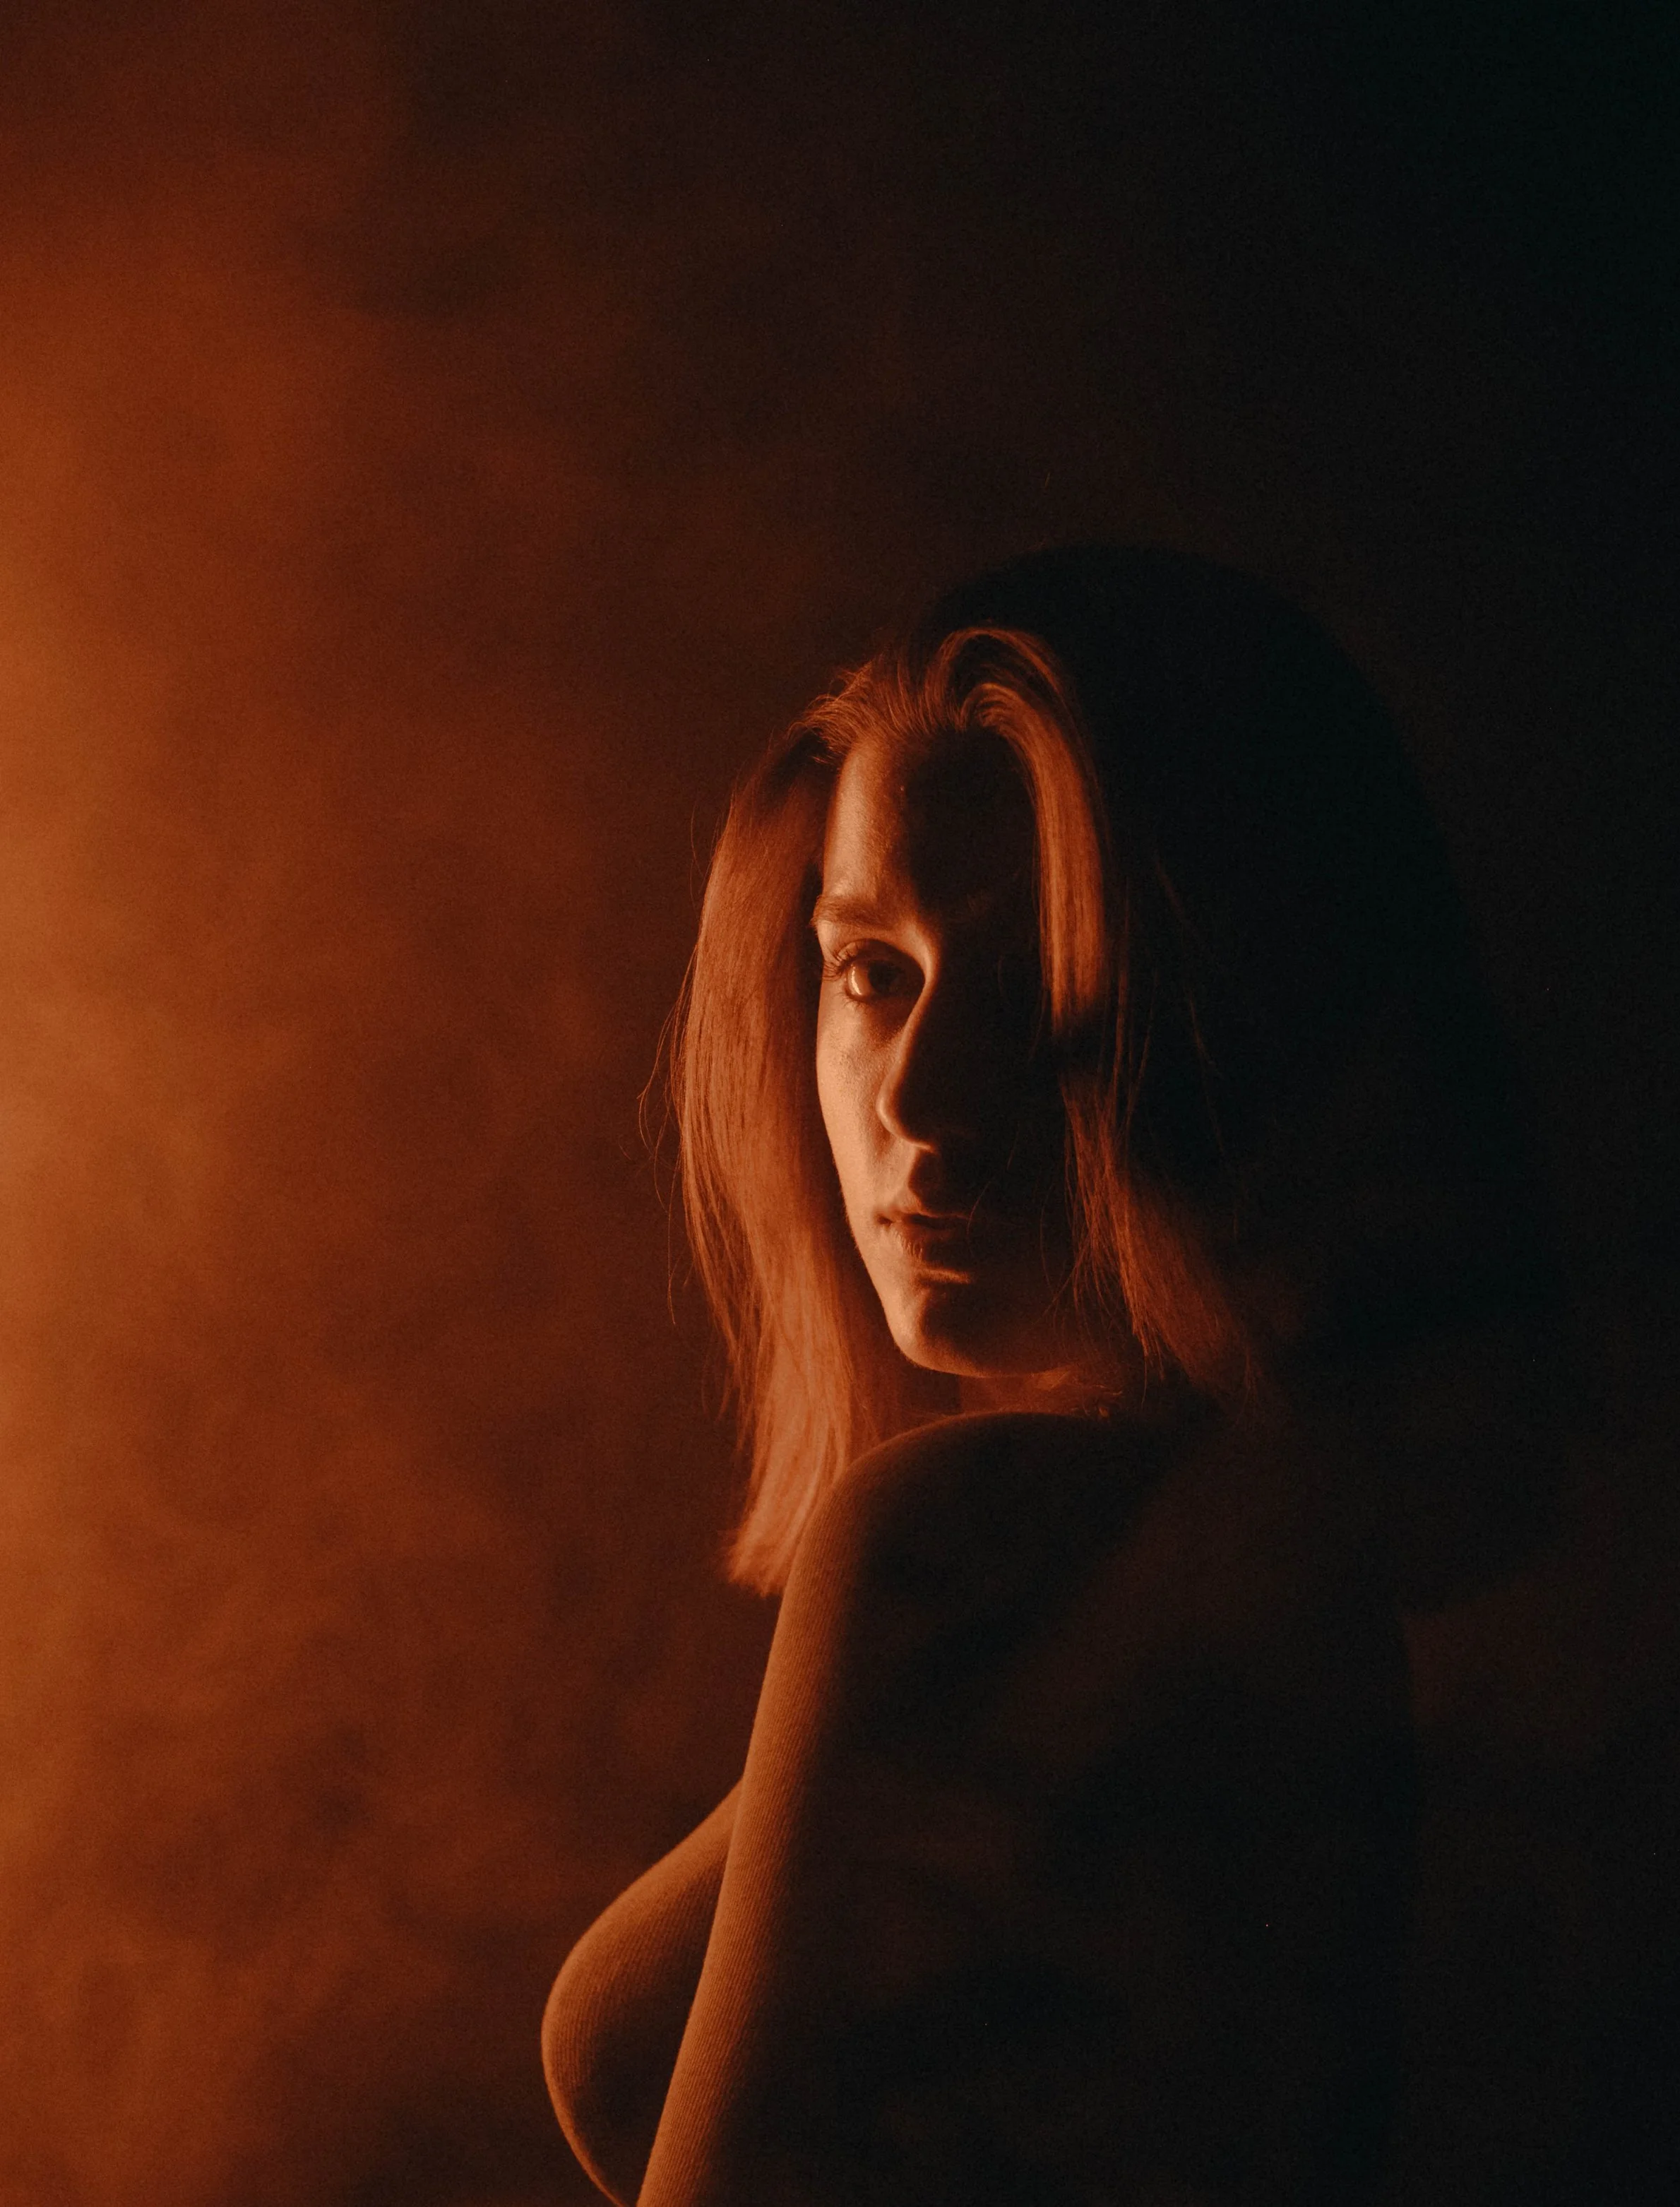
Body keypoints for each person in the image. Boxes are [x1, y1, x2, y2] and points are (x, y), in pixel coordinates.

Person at [542, 547, 1562, 2206]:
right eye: (870, 970)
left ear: (1233, 1028)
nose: (926, 1100)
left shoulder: (991, 1538)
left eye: (1034, 992)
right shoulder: (1293, 1565)